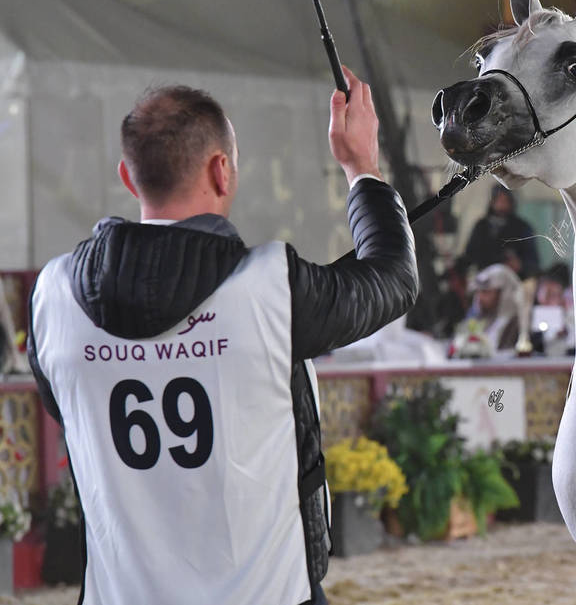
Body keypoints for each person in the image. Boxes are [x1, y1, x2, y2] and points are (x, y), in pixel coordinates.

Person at [27, 67, 416, 605]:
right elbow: (393, 279)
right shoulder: (272, 286)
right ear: (221, 170)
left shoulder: (52, 297)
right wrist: (362, 168)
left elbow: (65, 410)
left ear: (128, 177)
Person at [462, 185, 539, 278]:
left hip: (512, 281)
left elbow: (533, 262)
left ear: (511, 203)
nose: (501, 204)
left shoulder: (523, 227)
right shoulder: (481, 226)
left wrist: (520, 264)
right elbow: (469, 255)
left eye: (505, 200)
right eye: (498, 200)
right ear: (492, 202)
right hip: (485, 280)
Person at [452, 263, 522, 356]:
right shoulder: (478, 316)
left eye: (486, 292)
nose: (480, 297)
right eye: (478, 292)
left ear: (502, 293)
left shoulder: (518, 323)